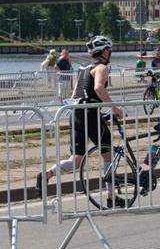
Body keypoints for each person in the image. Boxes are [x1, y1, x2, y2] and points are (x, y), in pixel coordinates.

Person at [35, 36, 125, 207]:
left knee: (76, 160)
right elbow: (98, 88)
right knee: (108, 155)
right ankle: (111, 196)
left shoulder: (83, 69)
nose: (110, 53)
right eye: (109, 50)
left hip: (76, 114)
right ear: (104, 51)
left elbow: (75, 94)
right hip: (90, 114)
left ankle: (47, 174)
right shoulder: (102, 68)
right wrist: (115, 109)